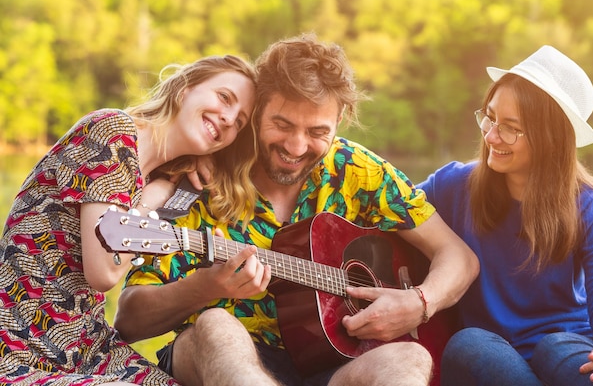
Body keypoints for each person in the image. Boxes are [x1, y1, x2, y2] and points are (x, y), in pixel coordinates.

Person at [114, 33, 479, 386]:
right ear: (257, 111)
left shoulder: (355, 170)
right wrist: (203, 288)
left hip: (337, 366)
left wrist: (420, 303)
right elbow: (129, 320)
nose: (296, 145)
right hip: (226, 362)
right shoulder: (200, 176)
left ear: (340, 122)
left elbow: (459, 257)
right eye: (282, 124)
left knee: (410, 359)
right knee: (215, 326)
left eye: (317, 131)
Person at [0, 54, 257, 385]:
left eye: (239, 122)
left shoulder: (148, 172)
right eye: (224, 98)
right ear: (184, 89)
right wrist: (157, 195)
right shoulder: (113, 131)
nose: (228, 119)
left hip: (87, 348)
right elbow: (104, 272)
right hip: (18, 349)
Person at [415, 45, 593, 386]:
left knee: (583, 360)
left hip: (567, 344)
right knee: (469, 344)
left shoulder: (591, 205)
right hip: (488, 356)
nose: (491, 135)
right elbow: (387, 207)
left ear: (551, 138)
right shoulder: (452, 185)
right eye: (490, 116)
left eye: (511, 127)